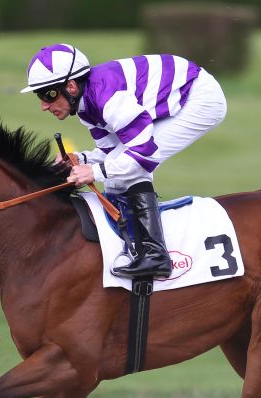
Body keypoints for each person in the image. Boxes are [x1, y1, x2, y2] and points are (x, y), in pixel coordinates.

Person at [21, 43, 227, 278]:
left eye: (49, 95)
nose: (44, 106)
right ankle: (135, 248)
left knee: (130, 171)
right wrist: (80, 158)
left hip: (200, 99)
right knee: (117, 173)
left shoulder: (108, 99)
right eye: (40, 96)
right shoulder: (86, 105)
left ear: (71, 86)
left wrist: (94, 172)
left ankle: (155, 255)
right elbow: (110, 152)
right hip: (175, 91)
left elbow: (143, 155)